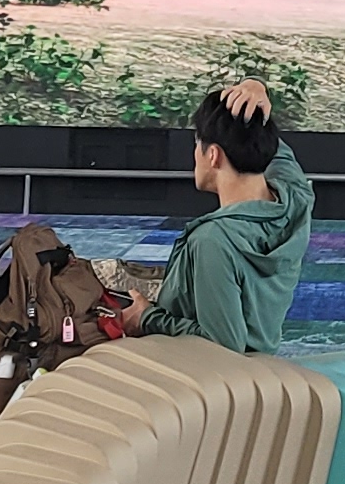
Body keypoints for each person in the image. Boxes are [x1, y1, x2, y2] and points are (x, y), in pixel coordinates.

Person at [115, 77, 313, 356]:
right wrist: (256, 87)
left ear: (213, 155)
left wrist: (146, 318)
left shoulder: (213, 241)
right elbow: (270, 148)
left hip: (206, 375)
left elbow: (222, 345)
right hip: (264, 366)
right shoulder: (295, 198)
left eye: (197, 143)